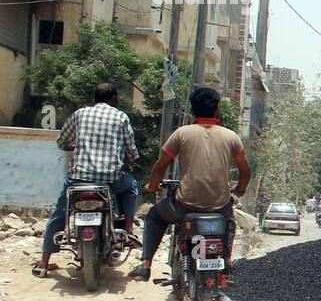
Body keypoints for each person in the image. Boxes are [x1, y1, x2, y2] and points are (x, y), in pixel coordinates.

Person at [127, 88, 251, 282]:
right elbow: (245, 171)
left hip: (184, 206)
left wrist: (152, 186)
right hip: (219, 206)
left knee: (154, 216)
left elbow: (161, 165)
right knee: (228, 224)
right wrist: (239, 191)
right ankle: (225, 262)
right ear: (217, 111)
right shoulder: (231, 137)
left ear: (192, 111)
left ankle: (145, 265)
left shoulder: (182, 134)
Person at [34, 83, 139, 278]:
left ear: (94, 99)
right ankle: (129, 228)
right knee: (131, 186)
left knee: (59, 214)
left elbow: (62, 142)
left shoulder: (80, 114)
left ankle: (44, 261)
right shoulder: (121, 117)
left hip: (78, 180)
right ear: (114, 99)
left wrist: (75, 148)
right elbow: (132, 152)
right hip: (109, 181)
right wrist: (127, 157)